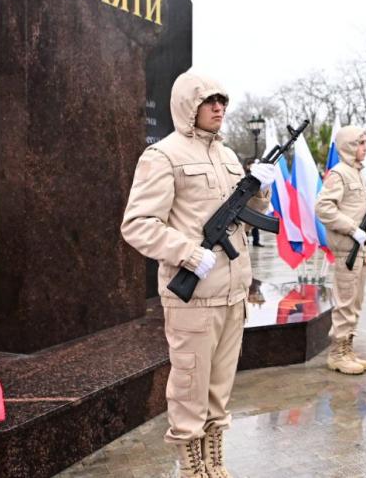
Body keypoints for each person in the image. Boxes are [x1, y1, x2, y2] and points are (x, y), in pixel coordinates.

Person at [121, 70, 275, 478]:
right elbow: (137, 224)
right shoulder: (163, 155)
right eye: (210, 101)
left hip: (233, 293)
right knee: (190, 386)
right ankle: (191, 467)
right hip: (194, 297)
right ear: (190, 106)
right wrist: (187, 253)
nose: (218, 107)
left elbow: (248, 219)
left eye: (222, 100)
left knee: (220, 387)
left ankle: (214, 460)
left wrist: (260, 190)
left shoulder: (226, 155)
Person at [315, 126, 366, 375]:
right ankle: (337, 353)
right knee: (345, 301)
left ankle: (348, 347)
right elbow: (323, 208)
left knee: (355, 302)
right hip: (347, 249)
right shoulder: (339, 174)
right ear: (349, 146)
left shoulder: (357, 174)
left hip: (360, 249)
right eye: (361, 143)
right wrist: (351, 228)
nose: (365, 147)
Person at [243, 159, 264, 247]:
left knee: (255, 225)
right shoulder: (243, 174)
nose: (251, 166)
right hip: (244, 202)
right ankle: (244, 240)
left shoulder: (255, 174)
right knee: (244, 226)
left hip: (252, 202)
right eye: (250, 165)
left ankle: (256, 241)